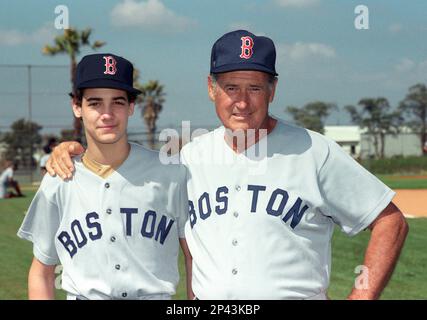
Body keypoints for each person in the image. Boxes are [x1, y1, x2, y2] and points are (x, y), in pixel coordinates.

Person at [46, 30, 408, 300]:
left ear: (273, 90)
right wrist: (70, 149)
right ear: (210, 88)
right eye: (231, 87)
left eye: (255, 88)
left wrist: (362, 294)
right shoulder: (186, 158)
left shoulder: (315, 151)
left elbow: (389, 220)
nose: (242, 102)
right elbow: (124, 167)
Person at [17, 53, 192, 300]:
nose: (107, 114)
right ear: (77, 107)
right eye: (95, 103)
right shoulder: (60, 178)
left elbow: (193, 257)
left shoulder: (171, 174)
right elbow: (41, 272)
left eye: (118, 102)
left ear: (131, 107)